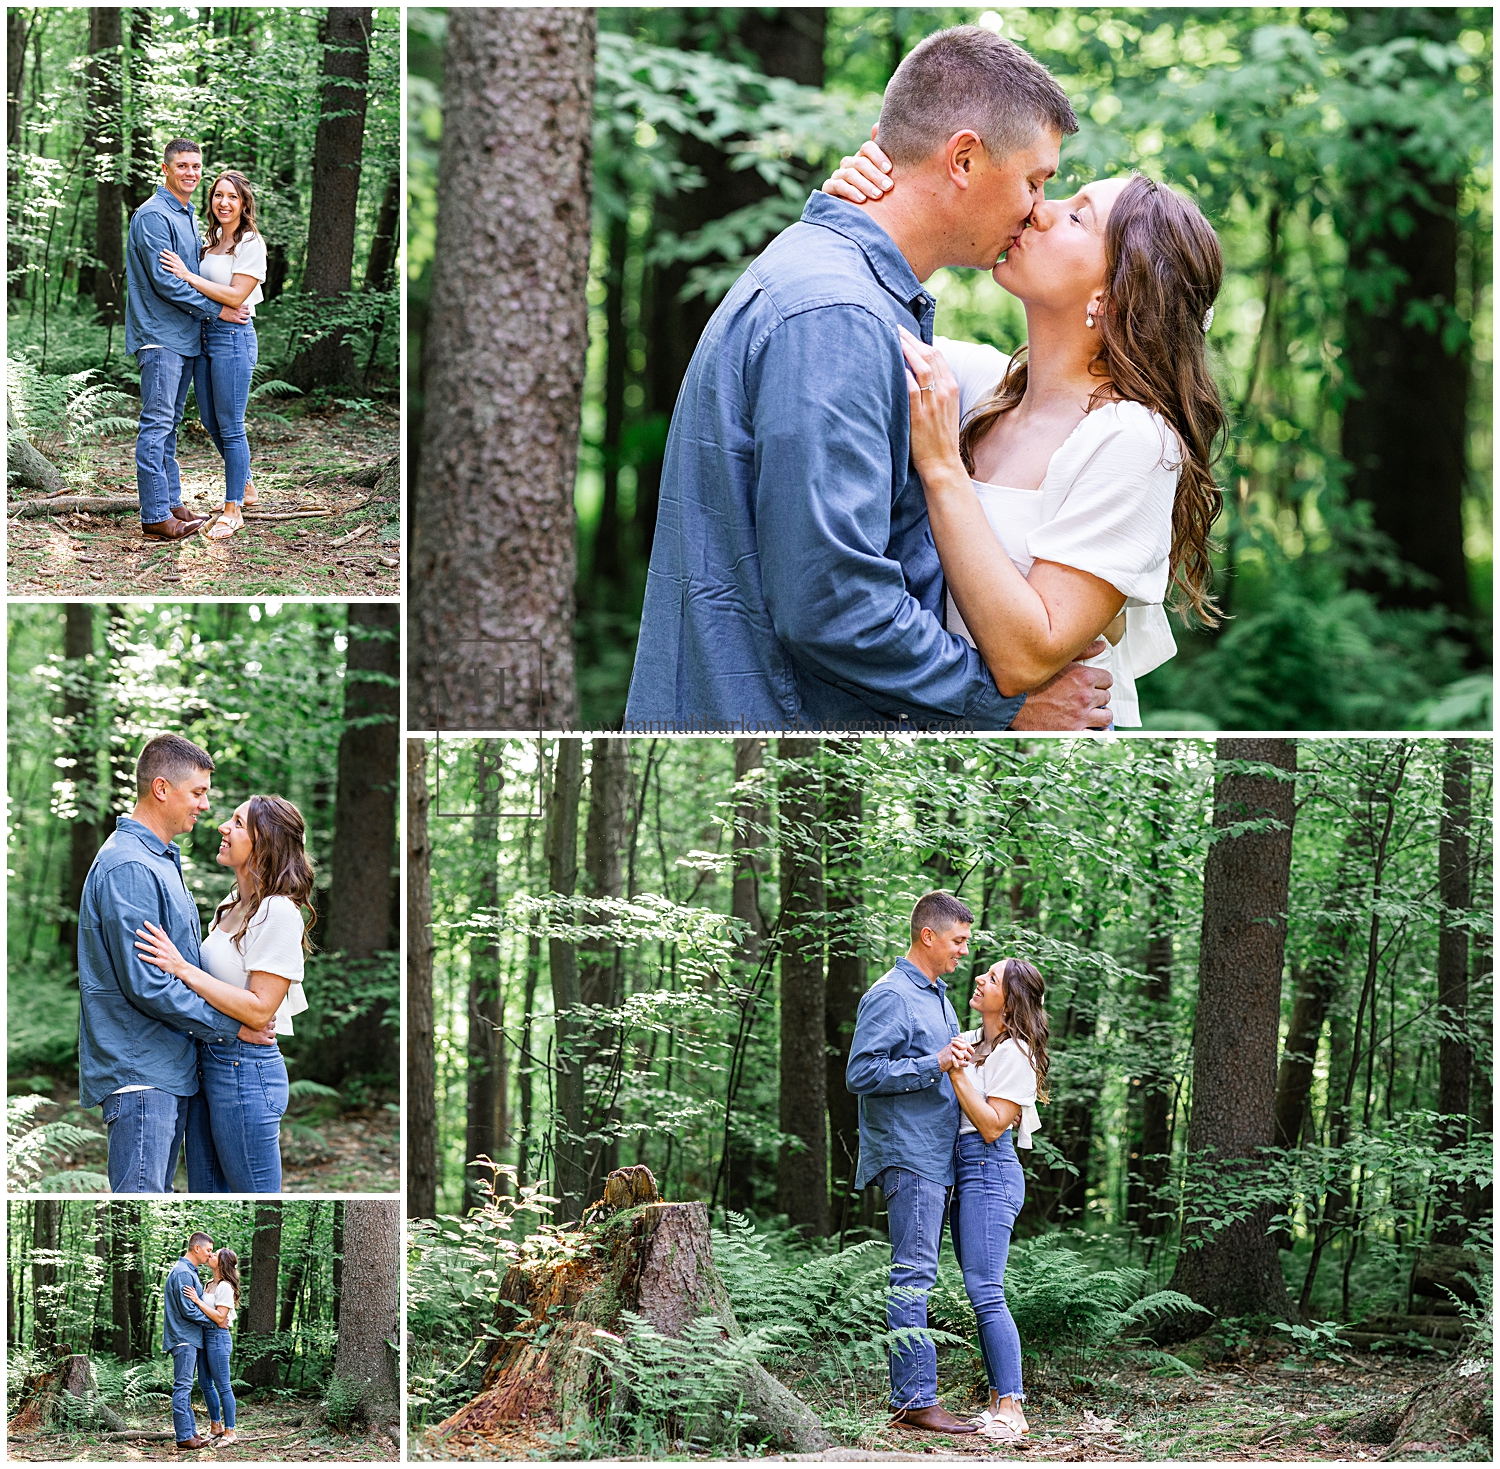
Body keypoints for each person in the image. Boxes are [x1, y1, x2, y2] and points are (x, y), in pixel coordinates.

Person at [624, 27, 1114, 734]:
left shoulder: (841, 288)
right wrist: (1002, 705)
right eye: (1035, 181)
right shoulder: (836, 316)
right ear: (965, 159)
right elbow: (832, 603)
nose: (1037, 209)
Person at [825, 142, 1227, 726]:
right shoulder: (981, 385)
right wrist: (859, 215)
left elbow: (1023, 657)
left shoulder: (1134, 440)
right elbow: (846, 319)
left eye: (1078, 215)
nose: (1039, 207)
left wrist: (941, 468)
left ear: (1112, 297)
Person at [77, 736, 277, 1194]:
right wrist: (232, 1027)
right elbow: (148, 985)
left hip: (167, 1068)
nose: (206, 806)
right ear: (162, 789)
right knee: (141, 1201)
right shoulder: (129, 866)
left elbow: (178, 969)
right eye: (199, 793)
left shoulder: (159, 860)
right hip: (141, 1073)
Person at [845, 891, 979, 1434]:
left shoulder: (938, 996)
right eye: (958, 941)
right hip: (909, 1153)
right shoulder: (892, 994)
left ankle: (916, 1396)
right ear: (928, 935)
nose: (963, 951)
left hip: (938, 1153)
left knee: (921, 1272)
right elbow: (861, 1073)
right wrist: (935, 1061)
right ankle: (915, 1400)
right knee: (913, 1275)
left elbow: (937, 1064)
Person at [135, 794, 315, 1193]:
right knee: (207, 1191)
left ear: (264, 841)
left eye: (237, 823)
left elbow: (259, 1010)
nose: (222, 827)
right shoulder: (232, 904)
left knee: (255, 1196)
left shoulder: (278, 912)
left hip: (246, 1070)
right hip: (206, 1062)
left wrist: (180, 967)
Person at [123, 140, 251, 541]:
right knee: (157, 424)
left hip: (185, 336)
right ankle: (156, 516)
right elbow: (164, 283)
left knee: (170, 425)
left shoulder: (186, 214)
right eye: (182, 166)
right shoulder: (153, 216)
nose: (191, 173)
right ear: (165, 169)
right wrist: (219, 311)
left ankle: (171, 503)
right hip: (160, 336)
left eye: (196, 166)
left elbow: (191, 276)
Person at [948, 958, 1048, 1438]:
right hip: (960, 1171)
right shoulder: (969, 1040)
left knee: (987, 1291)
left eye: (991, 978)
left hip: (990, 1169)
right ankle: (995, 1404)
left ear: (1008, 999)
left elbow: (991, 1126)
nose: (979, 980)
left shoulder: (1016, 1053)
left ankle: (1014, 1410)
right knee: (977, 1292)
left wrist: (957, 1073)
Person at [159, 169, 268, 540]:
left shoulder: (251, 242)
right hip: (204, 334)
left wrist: (188, 277)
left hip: (234, 338)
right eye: (218, 195)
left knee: (232, 425)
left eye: (232, 197)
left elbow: (237, 296)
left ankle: (233, 509)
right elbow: (212, 294)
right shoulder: (212, 240)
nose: (224, 202)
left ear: (244, 203)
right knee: (209, 420)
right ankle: (247, 484)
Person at [163, 1232, 217, 1451]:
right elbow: (188, 1310)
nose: (210, 1255)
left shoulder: (188, 1271)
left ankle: (190, 1432)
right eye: (208, 1251)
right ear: (196, 1248)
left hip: (189, 1337)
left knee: (186, 1387)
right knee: (183, 1388)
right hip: (184, 1338)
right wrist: (215, 1320)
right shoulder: (183, 1273)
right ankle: (184, 1436)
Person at [184, 1247, 241, 1444]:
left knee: (223, 1386)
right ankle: (215, 1426)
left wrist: (198, 1301)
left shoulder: (225, 1286)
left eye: (215, 1254)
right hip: (204, 1336)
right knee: (205, 1384)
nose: (210, 1255)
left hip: (218, 1338)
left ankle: (230, 1431)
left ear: (222, 1262)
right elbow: (212, 1316)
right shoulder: (209, 1284)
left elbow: (220, 1317)